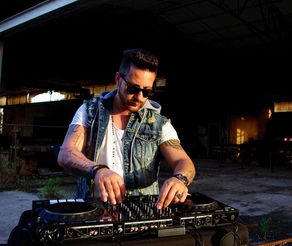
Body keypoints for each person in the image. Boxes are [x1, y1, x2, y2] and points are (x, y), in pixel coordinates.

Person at [57, 48, 196, 209]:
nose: (139, 97)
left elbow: (183, 161)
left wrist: (180, 179)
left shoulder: (160, 123)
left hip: (141, 213)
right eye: (133, 89)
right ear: (118, 79)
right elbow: (66, 154)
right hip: (93, 211)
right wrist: (98, 170)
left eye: (147, 91)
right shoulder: (89, 111)